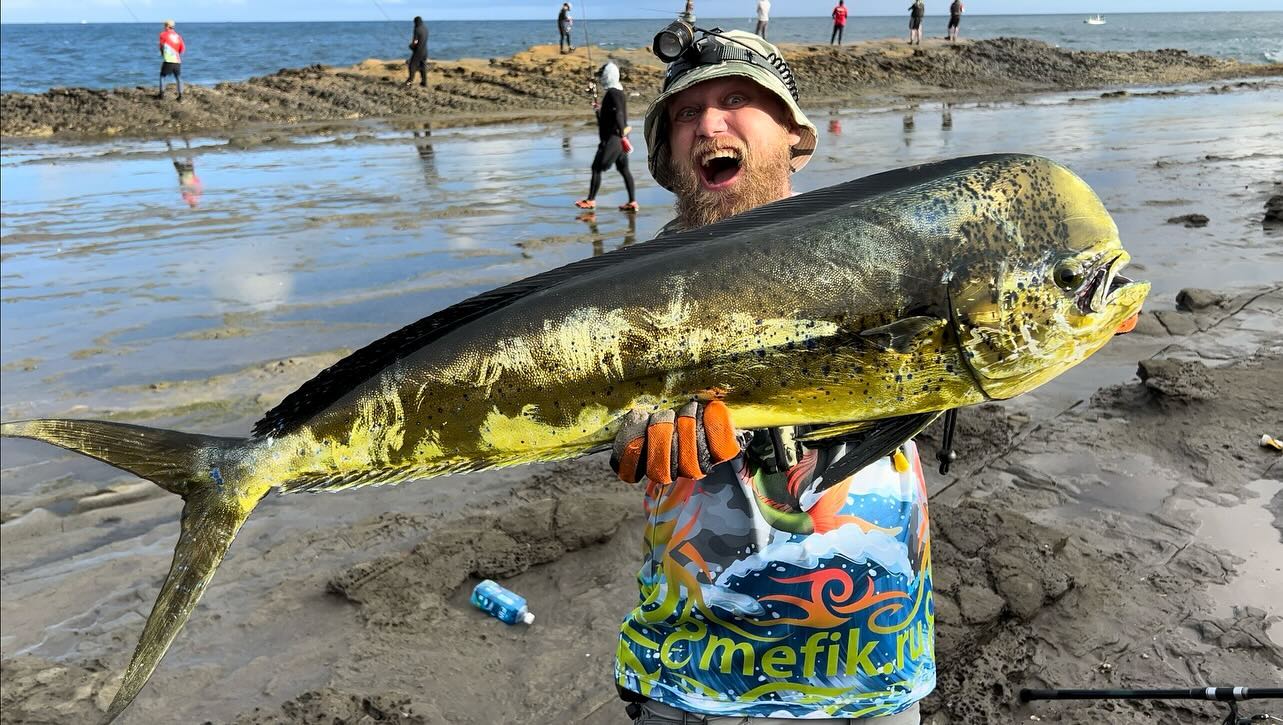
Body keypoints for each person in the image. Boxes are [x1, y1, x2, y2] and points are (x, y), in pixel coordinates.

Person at [613, 27, 933, 724]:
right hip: (694, 683)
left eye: (735, 100)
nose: (709, 124)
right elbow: (580, 411)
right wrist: (625, 430)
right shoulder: (632, 296)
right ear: (667, 156)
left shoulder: (872, 250)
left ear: (794, 134)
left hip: (874, 681)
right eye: (685, 114)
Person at [575, 62, 638, 212]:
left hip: (614, 139)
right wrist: (599, 111)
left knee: (596, 167)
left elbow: (618, 113)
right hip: (621, 139)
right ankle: (632, 202)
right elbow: (609, 116)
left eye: (604, 74)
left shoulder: (613, 93)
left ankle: (591, 200)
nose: (602, 77)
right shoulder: (617, 91)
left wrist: (622, 129)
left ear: (608, 76)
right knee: (624, 170)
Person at [157, 19, 185, 101]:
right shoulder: (178, 36)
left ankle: (161, 95)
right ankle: (180, 96)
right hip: (177, 60)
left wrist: (162, 54)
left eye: (165, 26)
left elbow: (161, 46)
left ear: (167, 26)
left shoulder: (163, 34)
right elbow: (182, 49)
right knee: (178, 78)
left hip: (168, 60)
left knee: (162, 76)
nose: (164, 27)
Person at [406, 16, 429, 88]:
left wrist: (411, 46)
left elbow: (415, 42)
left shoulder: (417, 29)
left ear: (416, 22)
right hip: (425, 51)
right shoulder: (425, 28)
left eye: (414, 23)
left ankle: (409, 82)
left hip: (418, 52)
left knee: (412, 65)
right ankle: (424, 83)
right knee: (423, 66)